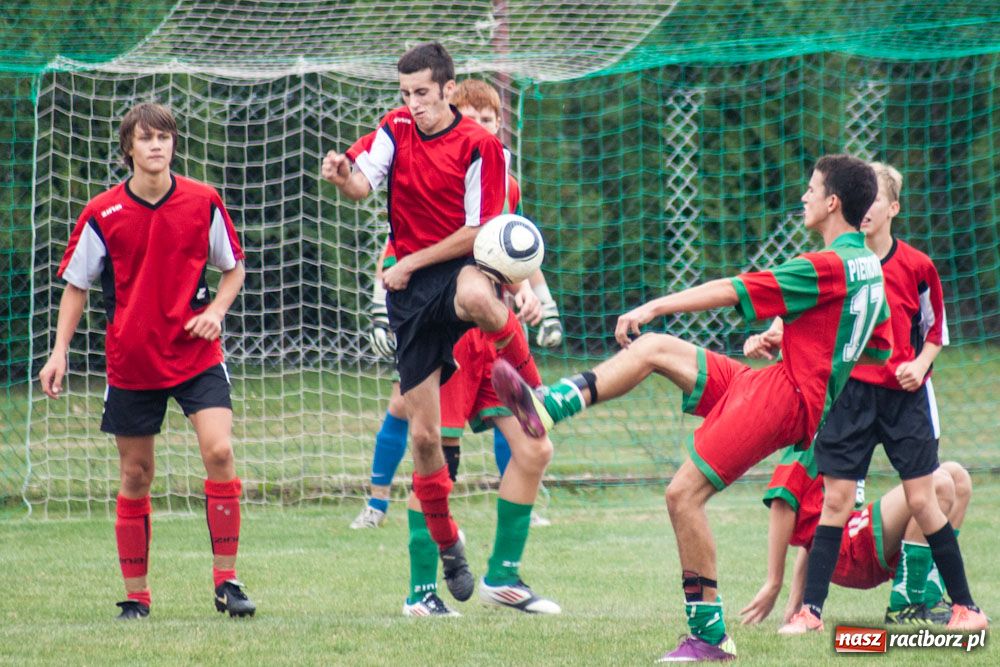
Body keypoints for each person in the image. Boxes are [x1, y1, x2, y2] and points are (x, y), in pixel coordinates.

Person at [492, 155, 890, 661]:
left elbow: (732, 289)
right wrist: (794, 343)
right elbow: (873, 345)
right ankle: (549, 406)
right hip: (781, 383)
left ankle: (709, 636)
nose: (804, 197)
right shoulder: (870, 268)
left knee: (683, 495)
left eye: (812, 190)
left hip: (783, 396)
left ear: (833, 202)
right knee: (655, 349)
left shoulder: (826, 264)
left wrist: (654, 304)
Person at [322, 42, 548, 604]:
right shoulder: (394, 130)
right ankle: (445, 556)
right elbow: (360, 185)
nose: (413, 104)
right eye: (406, 94)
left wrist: (526, 292)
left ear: (447, 89)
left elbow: (483, 237)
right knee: (425, 443)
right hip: (411, 299)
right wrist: (342, 174)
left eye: (421, 93)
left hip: (458, 275)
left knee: (476, 293)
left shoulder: (482, 151)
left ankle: (538, 387)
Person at [38, 102, 255, 619]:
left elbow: (234, 268)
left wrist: (218, 312)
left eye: (164, 138)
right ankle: (136, 597)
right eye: (145, 138)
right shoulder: (102, 212)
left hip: (197, 353)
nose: (156, 146)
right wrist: (59, 350)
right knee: (137, 473)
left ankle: (227, 582)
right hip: (133, 360)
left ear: (174, 144)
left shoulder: (203, 201)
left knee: (220, 452)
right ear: (128, 148)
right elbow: (76, 287)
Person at [772, 162, 988, 633]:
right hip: (848, 397)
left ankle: (965, 607)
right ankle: (810, 612)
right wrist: (773, 332)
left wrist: (920, 363)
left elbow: (935, 331)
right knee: (836, 500)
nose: (866, 209)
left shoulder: (918, 266)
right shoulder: (839, 263)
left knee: (925, 497)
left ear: (892, 208)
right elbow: (806, 307)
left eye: (875, 199)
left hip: (901, 399)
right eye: (861, 199)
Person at [350, 78, 563, 531]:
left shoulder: (507, 184)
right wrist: (378, 307)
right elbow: (395, 249)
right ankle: (385, 507)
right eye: (472, 119)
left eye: (489, 120)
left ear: (500, 126)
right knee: (426, 434)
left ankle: (506, 566)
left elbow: (513, 251)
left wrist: (531, 294)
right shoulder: (435, 173)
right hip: (441, 322)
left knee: (530, 436)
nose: (481, 127)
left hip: (489, 324)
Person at [739, 444, 972, 628]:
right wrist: (774, 582)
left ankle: (930, 598)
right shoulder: (806, 446)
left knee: (958, 476)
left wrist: (795, 603)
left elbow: (816, 531)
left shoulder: (845, 433)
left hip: (853, 537)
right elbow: (783, 503)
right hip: (848, 551)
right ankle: (906, 605)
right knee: (938, 484)